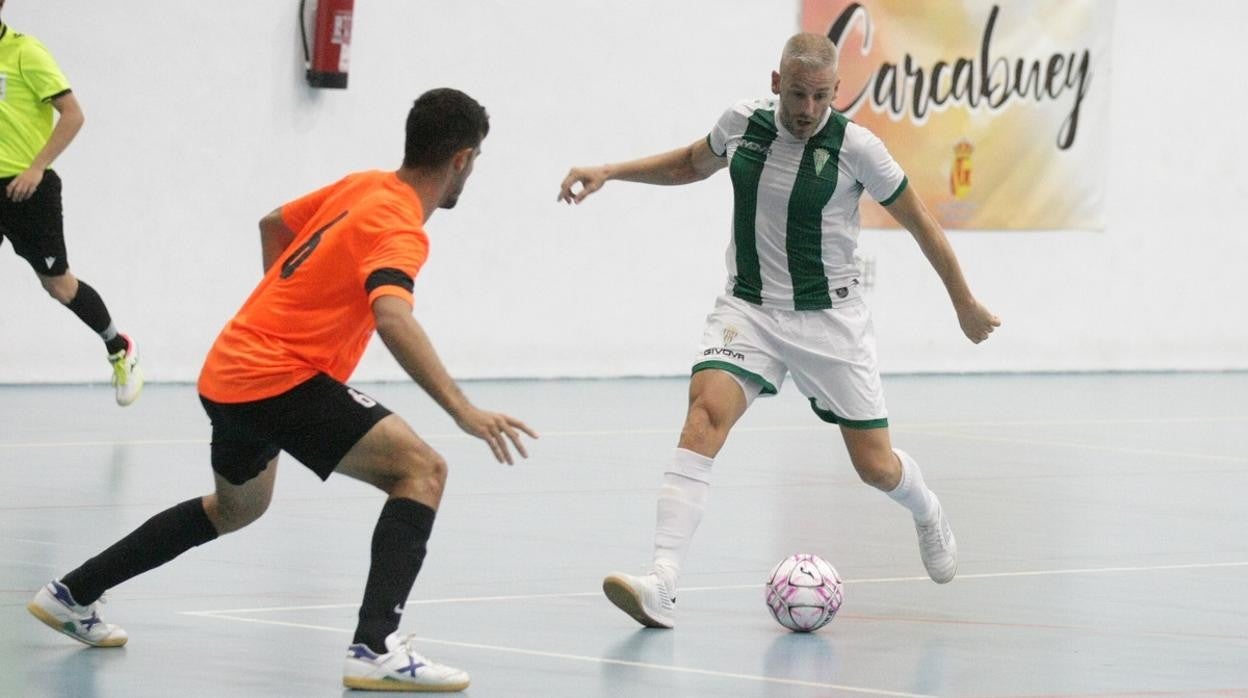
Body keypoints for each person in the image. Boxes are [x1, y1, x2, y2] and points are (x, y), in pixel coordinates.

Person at [27, 88, 536, 693]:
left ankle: (72, 593)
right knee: (422, 471)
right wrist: (463, 409)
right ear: (462, 159)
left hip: (229, 371)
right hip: (276, 376)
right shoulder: (401, 225)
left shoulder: (363, 185)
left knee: (237, 508)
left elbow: (275, 223)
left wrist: (291, 308)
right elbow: (393, 316)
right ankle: (375, 648)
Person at [557, 33, 1000, 629]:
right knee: (702, 417)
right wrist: (610, 171)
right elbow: (691, 163)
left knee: (875, 467)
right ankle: (662, 580)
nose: (807, 109)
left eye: (821, 97)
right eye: (797, 94)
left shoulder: (859, 149)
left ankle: (926, 508)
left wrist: (964, 303)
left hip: (830, 321)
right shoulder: (743, 123)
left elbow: (921, 224)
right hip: (750, 310)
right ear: (776, 84)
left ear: (835, 93)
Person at [0, 1, 141, 405]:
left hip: (27, 190)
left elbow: (73, 115)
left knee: (58, 286)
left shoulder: (26, 52)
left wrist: (36, 168)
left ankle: (119, 348)